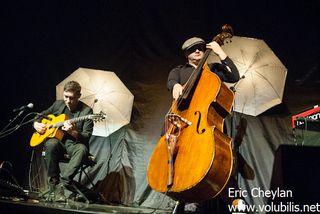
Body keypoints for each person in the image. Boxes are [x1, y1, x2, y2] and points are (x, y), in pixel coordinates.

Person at [167, 37, 240, 213]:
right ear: (186, 54)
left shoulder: (213, 69)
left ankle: (234, 200)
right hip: (184, 125)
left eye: (200, 48)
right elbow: (171, 82)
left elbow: (234, 76)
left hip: (205, 125)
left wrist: (220, 52)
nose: (198, 51)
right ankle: (183, 195)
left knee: (220, 160)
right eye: (193, 50)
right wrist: (175, 86)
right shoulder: (179, 71)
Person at [33, 80, 93, 202]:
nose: (68, 101)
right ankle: (54, 185)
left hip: (74, 145)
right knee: (50, 144)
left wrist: (73, 132)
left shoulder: (87, 112)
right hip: (59, 143)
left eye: (71, 98)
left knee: (82, 149)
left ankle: (64, 182)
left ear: (78, 96)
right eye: (66, 96)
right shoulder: (58, 105)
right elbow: (40, 115)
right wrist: (36, 124)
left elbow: (86, 137)